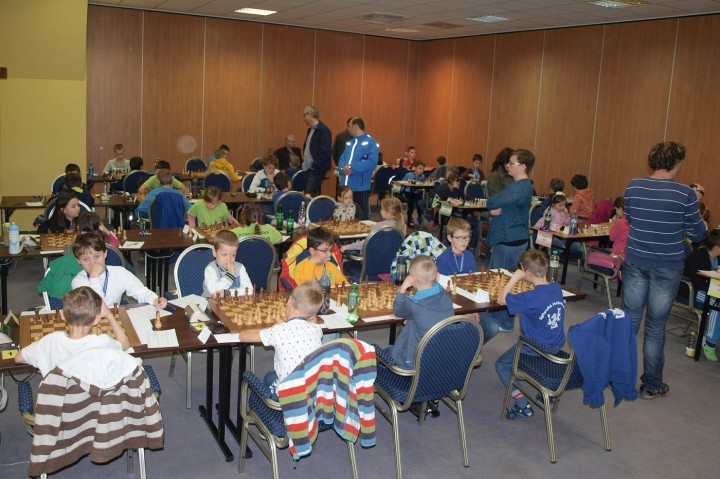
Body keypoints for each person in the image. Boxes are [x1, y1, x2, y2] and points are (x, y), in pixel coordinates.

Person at [622, 141, 705, 399]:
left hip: (636, 260)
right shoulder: (685, 194)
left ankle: (619, 378)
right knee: (656, 327)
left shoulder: (634, 185)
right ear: (677, 163)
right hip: (667, 266)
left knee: (629, 322)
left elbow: (631, 218)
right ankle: (651, 385)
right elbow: (698, 233)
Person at [495, 249, 565, 419]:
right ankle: (547, 391)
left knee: (502, 365)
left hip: (534, 347)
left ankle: (522, 405)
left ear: (526, 272)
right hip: (556, 345)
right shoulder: (556, 288)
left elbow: (501, 299)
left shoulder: (529, 297)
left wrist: (515, 278)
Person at [481, 149, 535, 342]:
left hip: (509, 239)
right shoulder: (521, 186)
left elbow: (492, 201)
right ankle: (504, 320)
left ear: (523, 166)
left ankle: (502, 321)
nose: (507, 166)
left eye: (511, 163)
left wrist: (493, 207)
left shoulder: (518, 186)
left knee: (501, 281)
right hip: (514, 237)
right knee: (508, 280)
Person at [15, 287, 129, 377]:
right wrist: (109, 315)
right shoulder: (102, 343)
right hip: (93, 399)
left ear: (62, 315)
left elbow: (18, 358)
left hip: (58, 398)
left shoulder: (50, 341)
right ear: (96, 319)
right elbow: (124, 344)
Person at [241, 281, 324, 397]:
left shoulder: (278, 331)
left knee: (267, 379)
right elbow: (313, 320)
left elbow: (243, 336)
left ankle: (265, 407)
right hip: (313, 393)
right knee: (271, 376)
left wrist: (272, 328)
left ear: (289, 300)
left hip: (288, 397)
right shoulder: (316, 330)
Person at [386, 255, 454, 368]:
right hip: (441, 357)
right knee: (412, 323)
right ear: (437, 276)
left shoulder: (413, 304)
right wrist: (412, 318)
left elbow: (397, 311)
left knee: (385, 350)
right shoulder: (446, 296)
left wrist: (403, 288)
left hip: (415, 360)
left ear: (411, 279)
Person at [71, 233, 167, 308]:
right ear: (78, 261)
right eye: (85, 259)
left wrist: (154, 300)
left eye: (96, 256)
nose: (92, 263)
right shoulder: (78, 282)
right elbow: (97, 309)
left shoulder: (119, 272)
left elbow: (140, 291)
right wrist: (94, 277)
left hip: (115, 317)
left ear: (105, 254)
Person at [684, 229, 720, 361]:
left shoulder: (717, 258)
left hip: (712, 290)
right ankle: (709, 342)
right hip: (696, 291)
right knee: (717, 305)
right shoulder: (699, 256)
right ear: (716, 247)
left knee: (717, 301)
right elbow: (697, 281)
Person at [337, 117, 379, 221]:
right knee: (343, 216)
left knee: (362, 218)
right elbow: (342, 159)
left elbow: (371, 162)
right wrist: (342, 168)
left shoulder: (371, 142)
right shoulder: (349, 143)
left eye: (349, 126)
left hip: (360, 188)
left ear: (355, 127)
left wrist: (351, 166)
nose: (347, 129)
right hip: (345, 188)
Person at [341, 197, 405, 254]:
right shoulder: (403, 225)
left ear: (388, 212)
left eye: (382, 209)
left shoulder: (379, 226)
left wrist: (347, 247)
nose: (380, 211)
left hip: (374, 260)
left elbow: (366, 243)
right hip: (394, 260)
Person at [202, 230, 253, 298]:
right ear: (214, 252)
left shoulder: (240, 267)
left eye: (233, 255)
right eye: (224, 255)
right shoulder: (211, 269)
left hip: (234, 303)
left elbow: (249, 290)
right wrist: (230, 275)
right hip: (211, 303)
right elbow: (215, 292)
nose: (229, 259)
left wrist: (226, 293)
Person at [585, 196, 629, 272]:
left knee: (588, 257)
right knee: (601, 252)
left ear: (620, 209)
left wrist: (614, 224)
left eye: (616, 209)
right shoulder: (632, 221)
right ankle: (614, 266)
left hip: (617, 254)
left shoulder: (620, 222)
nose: (616, 212)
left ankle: (612, 266)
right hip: (625, 255)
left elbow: (612, 238)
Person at [302, 105, 332, 196]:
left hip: (315, 169)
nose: (304, 118)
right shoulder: (310, 130)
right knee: (308, 194)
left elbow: (325, 151)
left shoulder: (324, 130)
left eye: (304, 115)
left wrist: (315, 165)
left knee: (309, 194)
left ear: (309, 115)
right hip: (307, 168)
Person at [401, 161, 426, 228]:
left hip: (417, 192)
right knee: (411, 205)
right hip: (408, 192)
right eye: (420, 168)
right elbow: (401, 183)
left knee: (420, 203)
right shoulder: (409, 175)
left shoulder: (422, 176)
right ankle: (409, 219)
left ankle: (419, 218)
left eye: (423, 169)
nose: (421, 171)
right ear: (415, 168)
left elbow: (423, 185)